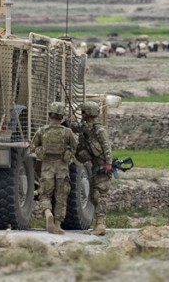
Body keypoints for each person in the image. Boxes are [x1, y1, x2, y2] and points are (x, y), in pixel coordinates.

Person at [31, 101, 78, 235]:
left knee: (44, 194)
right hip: (62, 168)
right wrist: (68, 153)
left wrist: (41, 152)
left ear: (49, 115)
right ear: (62, 116)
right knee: (61, 197)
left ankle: (47, 212)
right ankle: (57, 225)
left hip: (47, 167)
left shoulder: (42, 131)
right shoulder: (67, 132)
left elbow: (33, 147)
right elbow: (75, 147)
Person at [72, 100, 113, 236]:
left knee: (100, 195)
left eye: (83, 112)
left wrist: (108, 163)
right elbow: (76, 128)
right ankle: (99, 224)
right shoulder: (87, 127)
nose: (82, 114)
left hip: (102, 166)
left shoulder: (99, 130)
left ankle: (101, 225)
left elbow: (106, 147)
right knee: (94, 196)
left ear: (89, 113)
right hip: (96, 166)